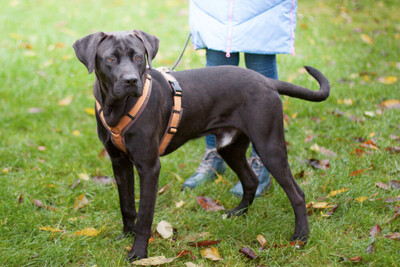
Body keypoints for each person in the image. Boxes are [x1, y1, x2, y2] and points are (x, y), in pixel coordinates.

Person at [182, 0, 297, 197]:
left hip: (262, 8)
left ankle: (261, 161)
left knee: (261, 75)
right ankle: (214, 153)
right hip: (215, 9)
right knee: (214, 79)